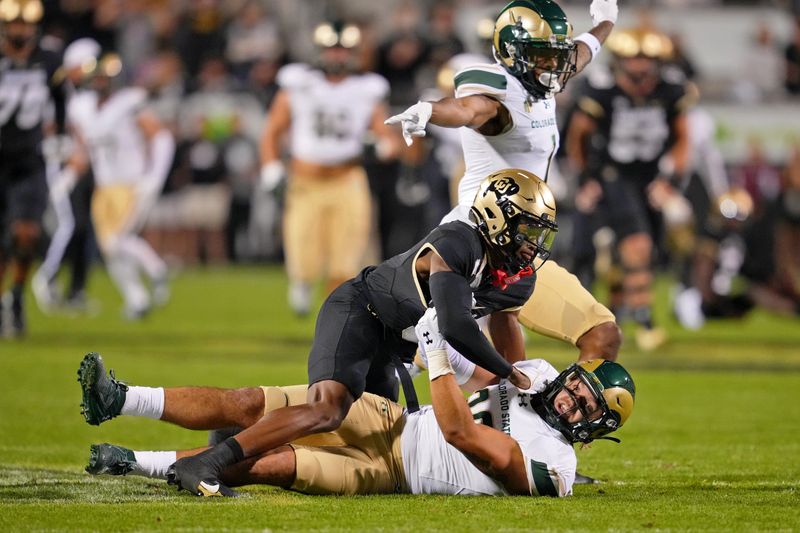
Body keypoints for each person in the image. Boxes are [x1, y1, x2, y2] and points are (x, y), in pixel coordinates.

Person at [80, 167, 561, 496]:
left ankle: (160, 445)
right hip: (361, 309)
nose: (533, 246)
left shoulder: (514, 280)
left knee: (346, 433)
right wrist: (508, 374)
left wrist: (511, 374)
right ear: (498, 220)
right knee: (324, 410)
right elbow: (455, 323)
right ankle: (196, 451)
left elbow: (503, 327)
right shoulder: (459, 241)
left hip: (393, 345)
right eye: (528, 230)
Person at [77, 311, 635, 497]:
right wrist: (502, 308)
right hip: (391, 417)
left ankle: (134, 461)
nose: (573, 402)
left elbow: (462, 431)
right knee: (251, 403)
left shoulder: (557, 468)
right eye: (578, 389)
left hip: (391, 471)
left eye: (587, 409)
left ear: (595, 429)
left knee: (277, 465)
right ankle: (121, 397)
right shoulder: (536, 377)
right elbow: (491, 368)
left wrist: (436, 356)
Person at [384, 0, 622, 363]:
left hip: (520, 247)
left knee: (596, 337)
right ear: (513, 53)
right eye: (544, 56)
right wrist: (431, 110)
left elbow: (579, 54)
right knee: (419, 353)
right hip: (477, 245)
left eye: (556, 55)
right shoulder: (500, 97)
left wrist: (605, 22)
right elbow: (467, 110)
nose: (556, 66)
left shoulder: (544, 79)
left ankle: (537, 416)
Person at [564, 27, 695, 350]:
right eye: (633, 59)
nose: (639, 68)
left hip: (650, 177)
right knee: (638, 246)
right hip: (612, 174)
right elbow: (577, 137)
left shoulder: (671, 91)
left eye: (646, 59)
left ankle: (614, 318)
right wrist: (585, 178)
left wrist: (670, 180)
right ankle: (646, 321)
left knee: (645, 248)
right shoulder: (600, 92)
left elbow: (682, 139)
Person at [259, 20, 400, 317]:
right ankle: (302, 283)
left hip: (347, 177)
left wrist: (380, 147)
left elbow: (390, 140)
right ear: (320, 51)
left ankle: (335, 313)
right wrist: (270, 167)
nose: (337, 56)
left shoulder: (366, 89)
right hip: (305, 180)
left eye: (343, 50)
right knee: (302, 248)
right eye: (331, 50)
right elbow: (272, 130)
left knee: (347, 255)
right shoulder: (297, 85)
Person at [66, 52, 173, 319]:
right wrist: (68, 173)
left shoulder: (129, 102)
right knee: (109, 248)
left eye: (105, 76)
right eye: (97, 76)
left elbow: (161, 138)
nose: (100, 81)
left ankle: (157, 270)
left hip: (130, 182)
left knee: (118, 240)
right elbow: (82, 148)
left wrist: (154, 177)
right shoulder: (82, 106)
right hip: (104, 185)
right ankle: (137, 299)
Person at [0, 0, 67, 336]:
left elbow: (61, 100)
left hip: (28, 160)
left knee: (25, 233)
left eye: (26, 25)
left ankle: (17, 294)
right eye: (15, 24)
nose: (21, 31)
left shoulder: (49, 59)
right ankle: (3, 302)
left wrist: (62, 136)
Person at [31, 37, 100, 314]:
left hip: (76, 165)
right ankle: (45, 277)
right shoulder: (55, 89)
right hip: (56, 163)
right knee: (67, 224)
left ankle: (74, 290)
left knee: (79, 227)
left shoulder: (77, 93)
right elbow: (44, 126)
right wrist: (71, 150)